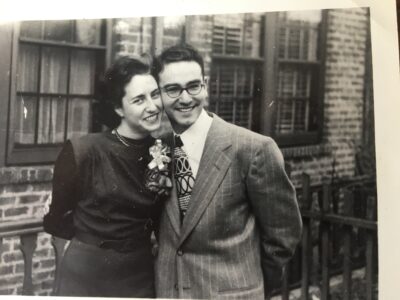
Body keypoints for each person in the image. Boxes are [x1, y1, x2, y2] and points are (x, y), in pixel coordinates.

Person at [152, 44, 303, 299]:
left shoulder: (253, 149)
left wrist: (248, 285)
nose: (186, 98)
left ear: (206, 84)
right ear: (159, 94)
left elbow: (283, 237)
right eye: (173, 89)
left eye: (193, 86)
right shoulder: (158, 149)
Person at [43, 56, 169, 298]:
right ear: (118, 107)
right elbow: (55, 220)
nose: (153, 106)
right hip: (87, 275)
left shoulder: (163, 152)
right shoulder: (83, 151)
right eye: (139, 99)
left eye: (155, 94)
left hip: (140, 275)